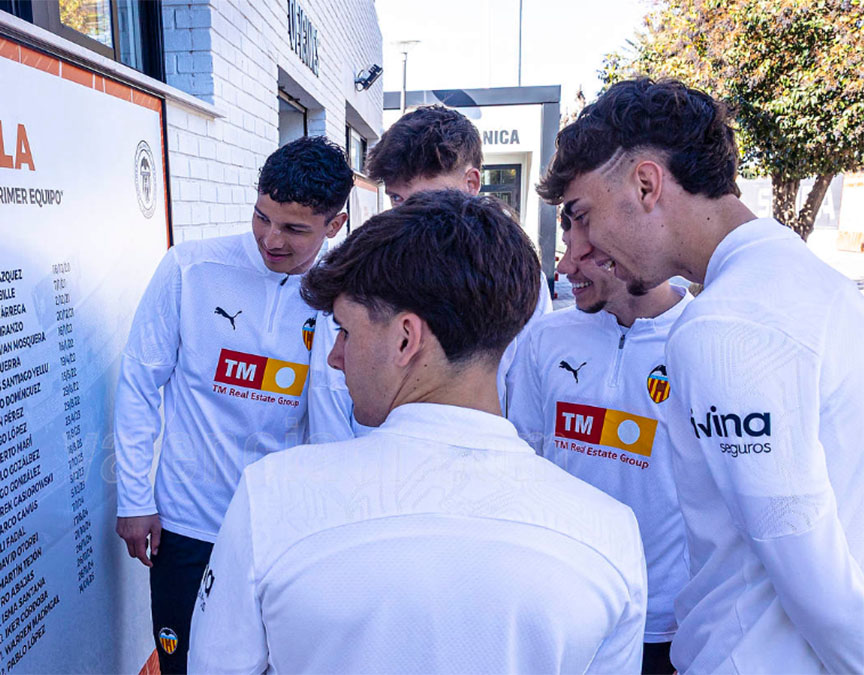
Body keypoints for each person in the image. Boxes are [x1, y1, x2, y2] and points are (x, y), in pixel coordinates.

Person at [188, 190, 647, 673]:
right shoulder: (609, 533)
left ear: (406, 338)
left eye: (345, 330)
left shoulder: (272, 497)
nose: (334, 356)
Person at [537, 77, 864, 673]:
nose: (582, 249)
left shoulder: (728, 327)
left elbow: (808, 566)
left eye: (583, 216)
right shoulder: (809, 286)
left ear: (645, 184)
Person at [114, 136, 355, 673]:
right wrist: (133, 499)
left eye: (294, 229)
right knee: (183, 665)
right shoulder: (190, 269)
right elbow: (139, 382)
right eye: (262, 217)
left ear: (334, 225)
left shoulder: (347, 292)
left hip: (285, 529)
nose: (271, 239)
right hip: (188, 523)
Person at [507, 213, 692, 674]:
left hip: (666, 621)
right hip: (564, 605)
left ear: (634, 247)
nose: (566, 267)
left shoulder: (701, 338)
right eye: (566, 249)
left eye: (584, 255)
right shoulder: (547, 337)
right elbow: (524, 466)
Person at [365, 104, 552, 407]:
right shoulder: (374, 269)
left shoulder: (516, 276)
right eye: (397, 199)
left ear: (471, 184)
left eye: (426, 199)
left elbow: (527, 390)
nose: (411, 217)